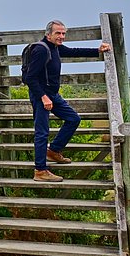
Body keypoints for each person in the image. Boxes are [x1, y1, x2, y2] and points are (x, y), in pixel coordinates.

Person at [23, 20, 111, 182]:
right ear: (48, 34)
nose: (62, 36)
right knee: (42, 132)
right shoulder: (42, 50)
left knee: (73, 119)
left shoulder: (55, 48)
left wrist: (97, 50)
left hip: (52, 94)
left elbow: (73, 51)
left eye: (64, 33)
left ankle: (53, 150)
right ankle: (40, 170)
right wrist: (43, 97)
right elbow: (30, 77)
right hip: (41, 95)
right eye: (58, 33)